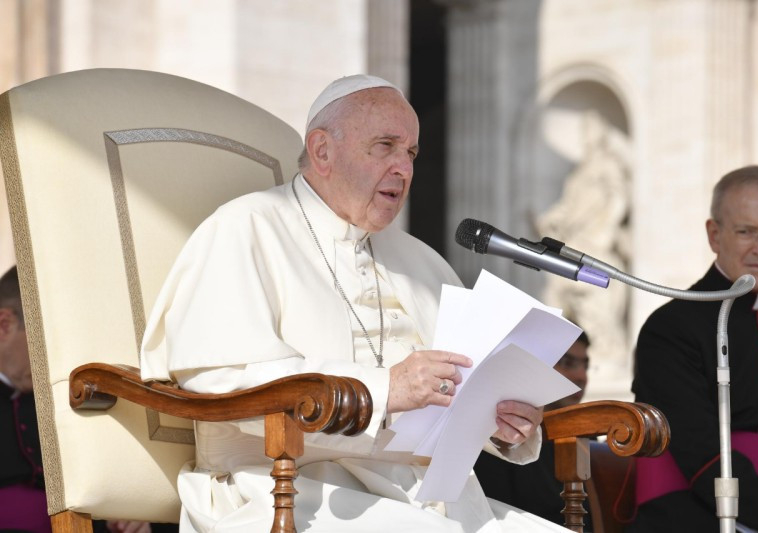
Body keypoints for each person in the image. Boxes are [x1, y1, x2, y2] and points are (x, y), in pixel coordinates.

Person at [140, 75, 570, 532]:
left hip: (426, 497)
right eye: (385, 145)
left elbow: (457, 389)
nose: (403, 168)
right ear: (322, 151)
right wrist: (383, 389)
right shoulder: (244, 229)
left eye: (411, 153)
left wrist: (501, 422)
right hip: (279, 491)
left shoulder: (422, 260)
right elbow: (217, 378)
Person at [630, 166, 758, 532]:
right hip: (694, 517)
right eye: (746, 231)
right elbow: (703, 458)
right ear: (714, 234)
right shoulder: (671, 327)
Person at [0, 266, 161, 533]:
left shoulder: (67, 394)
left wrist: (129, 512)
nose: (55, 356)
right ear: (5, 325)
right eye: (45, 341)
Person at [474, 332, 592, 529]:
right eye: (567, 363)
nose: (582, 376)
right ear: (536, 366)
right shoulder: (497, 437)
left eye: (585, 366)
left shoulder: (590, 439)